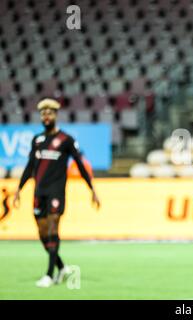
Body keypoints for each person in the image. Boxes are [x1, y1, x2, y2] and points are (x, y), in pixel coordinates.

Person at [13, 98, 101, 288]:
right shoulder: (37, 140)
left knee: (53, 228)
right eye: (43, 113)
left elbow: (80, 165)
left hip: (56, 192)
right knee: (42, 233)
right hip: (39, 192)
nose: (46, 116)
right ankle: (61, 266)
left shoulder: (66, 140)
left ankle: (49, 275)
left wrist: (91, 189)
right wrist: (19, 189)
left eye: (49, 113)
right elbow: (30, 167)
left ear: (56, 115)